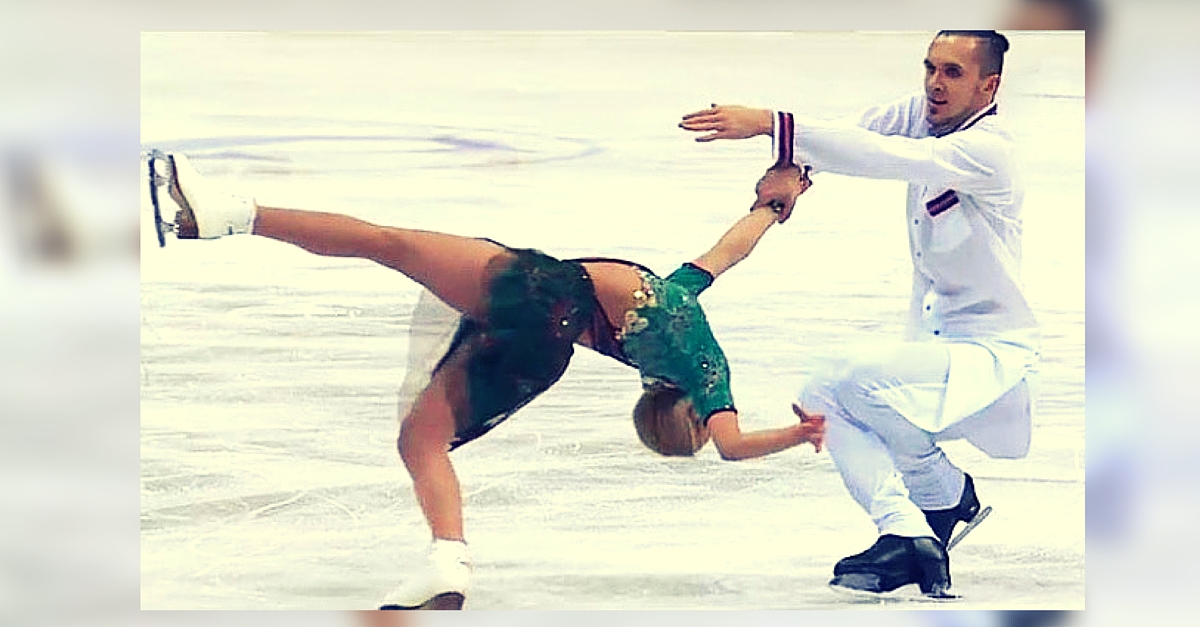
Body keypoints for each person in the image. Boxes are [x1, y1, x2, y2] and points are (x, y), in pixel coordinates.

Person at [146, 150, 825, 610]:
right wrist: (775, 204)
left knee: (388, 243)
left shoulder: (703, 365)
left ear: (687, 413)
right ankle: (447, 561)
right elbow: (724, 255)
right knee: (421, 442)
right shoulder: (673, 344)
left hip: (543, 291)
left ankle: (222, 213)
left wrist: (801, 431)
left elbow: (731, 433)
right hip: (543, 350)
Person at [679, 30, 1042, 598]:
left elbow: (888, 157)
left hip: (988, 352)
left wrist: (772, 121)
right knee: (827, 396)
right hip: (931, 343)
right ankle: (921, 517)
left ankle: (933, 505)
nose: (934, 84)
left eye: (952, 73)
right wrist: (795, 173)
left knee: (840, 382)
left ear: (988, 85)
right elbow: (860, 133)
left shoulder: (988, 150)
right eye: (929, 68)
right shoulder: (923, 115)